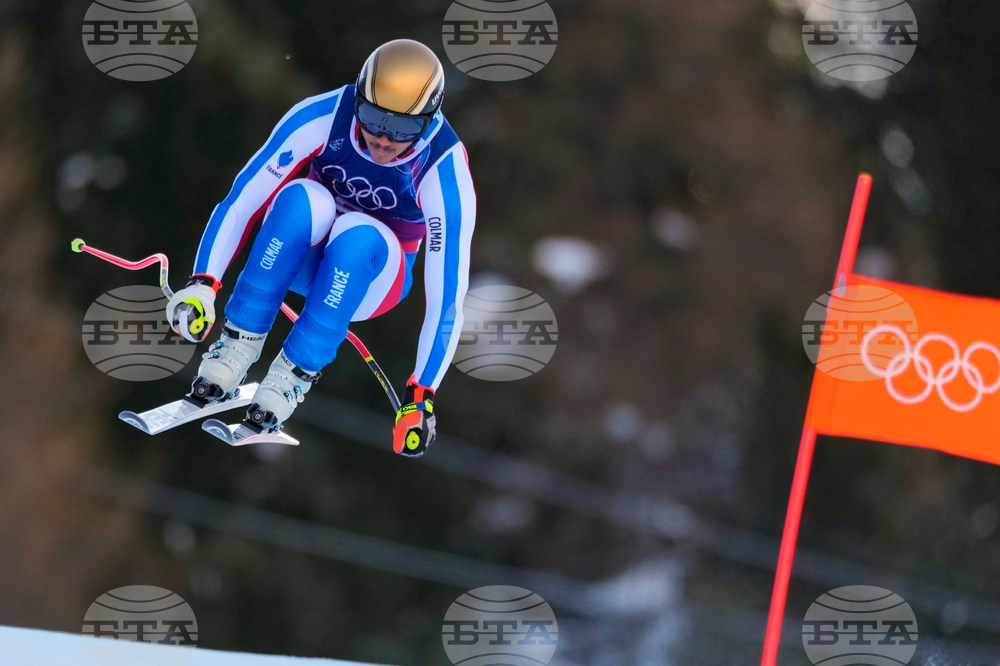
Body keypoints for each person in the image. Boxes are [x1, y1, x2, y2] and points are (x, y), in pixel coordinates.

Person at [164, 39, 476, 457]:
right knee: (299, 199)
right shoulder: (324, 114)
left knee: (358, 232)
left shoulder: (444, 169)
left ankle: (292, 376)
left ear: (429, 119)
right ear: (358, 98)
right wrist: (203, 282)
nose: (383, 140)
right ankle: (235, 346)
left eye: (403, 129)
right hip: (297, 256)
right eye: (372, 118)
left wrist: (422, 394)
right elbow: (241, 201)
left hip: (369, 279)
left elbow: (447, 296)